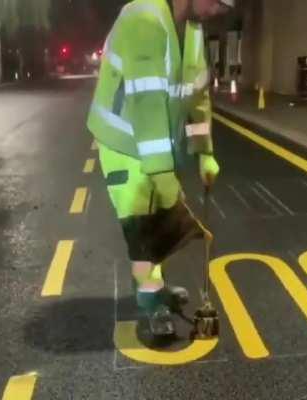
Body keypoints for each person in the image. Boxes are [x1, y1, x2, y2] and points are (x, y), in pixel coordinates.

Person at [87, 0, 234, 336]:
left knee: (162, 221)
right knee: (141, 225)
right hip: (123, 140)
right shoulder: (144, 19)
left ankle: (156, 286)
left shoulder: (193, 30)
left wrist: (204, 152)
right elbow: (148, 106)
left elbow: (196, 97)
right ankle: (152, 303)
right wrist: (163, 174)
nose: (220, 12)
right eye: (217, 3)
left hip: (157, 144)